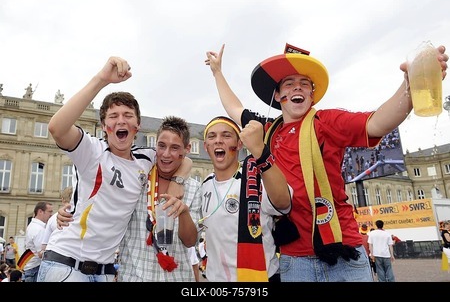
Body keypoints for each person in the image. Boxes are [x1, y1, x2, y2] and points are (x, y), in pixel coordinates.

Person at [205, 43, 448, 282]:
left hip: (344, 254)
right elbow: (234, 107)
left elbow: (378, 123)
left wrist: (409, 85)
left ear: (312, 94)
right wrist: (217, 72)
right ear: (278, 95)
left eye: (305, 84)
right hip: (294, 259)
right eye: (289, 84)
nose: (297, 88)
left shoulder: (327, 120)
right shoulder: (268, 131)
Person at [37, 57, 192, 282]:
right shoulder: (92, 150)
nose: (121, 121)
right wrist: (101, 80)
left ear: (137, 126)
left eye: (128, 116)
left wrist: (178, 180)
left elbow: (184, 159)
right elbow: (57, 128)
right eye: (113, 116)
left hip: (105, 272)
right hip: (67, 264)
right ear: (104, 127)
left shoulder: (145, 158)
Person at [200, 116, 292, 282]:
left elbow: (283, 202)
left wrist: (260, 151)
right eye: (212, 136)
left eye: (226, 135)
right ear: (206, 146)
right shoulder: (204, 185)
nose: (218, 141)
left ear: (240, 144)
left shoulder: (256, 178)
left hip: (261, 277)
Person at [117, 116, 201, 282]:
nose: (166, 154)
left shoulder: (194, 188)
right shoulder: (138, 177)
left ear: (187, 149)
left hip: (176, 277)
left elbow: (191, 241)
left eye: (175, 148)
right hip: (133, 276)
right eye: (161, 146)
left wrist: (183, 213)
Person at [23, 201, 53, 282]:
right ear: (40, 212)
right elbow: (42, 253)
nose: (51, 214)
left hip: (33, 268)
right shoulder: (38, 229)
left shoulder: (35, 226)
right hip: (35, 269)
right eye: (49, 211)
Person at [40, 186, 73, 251]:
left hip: (53, 255)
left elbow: (44, 246)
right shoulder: (83, 217)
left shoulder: (53, 219)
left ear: (63, 200)